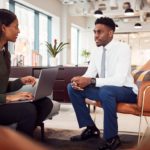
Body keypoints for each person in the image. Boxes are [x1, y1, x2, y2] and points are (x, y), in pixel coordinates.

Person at [67, 17, 138, 150]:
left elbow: (119, 80)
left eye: (100, 32)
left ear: (110, 33)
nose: (95, 36)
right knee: (72, 88)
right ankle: (91, 129)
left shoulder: (123, 48)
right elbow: (90, 73)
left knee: (106, 90)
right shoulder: (96, 51)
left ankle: (112, 137)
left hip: (126, 90)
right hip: (106, 90)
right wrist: (80, 80)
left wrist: (91, 81)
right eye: (94, 32)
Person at [0, 9, 53, 137]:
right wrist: (8, 98)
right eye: (16, 27)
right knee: (27, 110)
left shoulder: (5, 54)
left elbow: (2, 86)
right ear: (3, 27)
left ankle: (20, 138)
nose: (19, 31)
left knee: (45, 104)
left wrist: (21, 81)